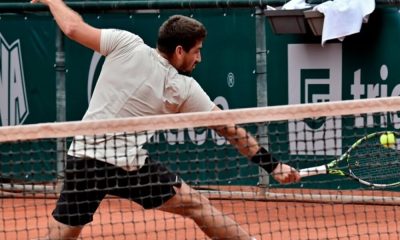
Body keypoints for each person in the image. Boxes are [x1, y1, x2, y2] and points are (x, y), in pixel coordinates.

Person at [31, 0, 301, 239]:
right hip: (122, 167)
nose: (200, 58)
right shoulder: (182, 88)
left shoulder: (126, 43)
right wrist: (273, 166)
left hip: (89, 162)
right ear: (180, 50)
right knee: (197, 205)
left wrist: (51, 0)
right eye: (197, 51)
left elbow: (73, 28)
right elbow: (230, 130)